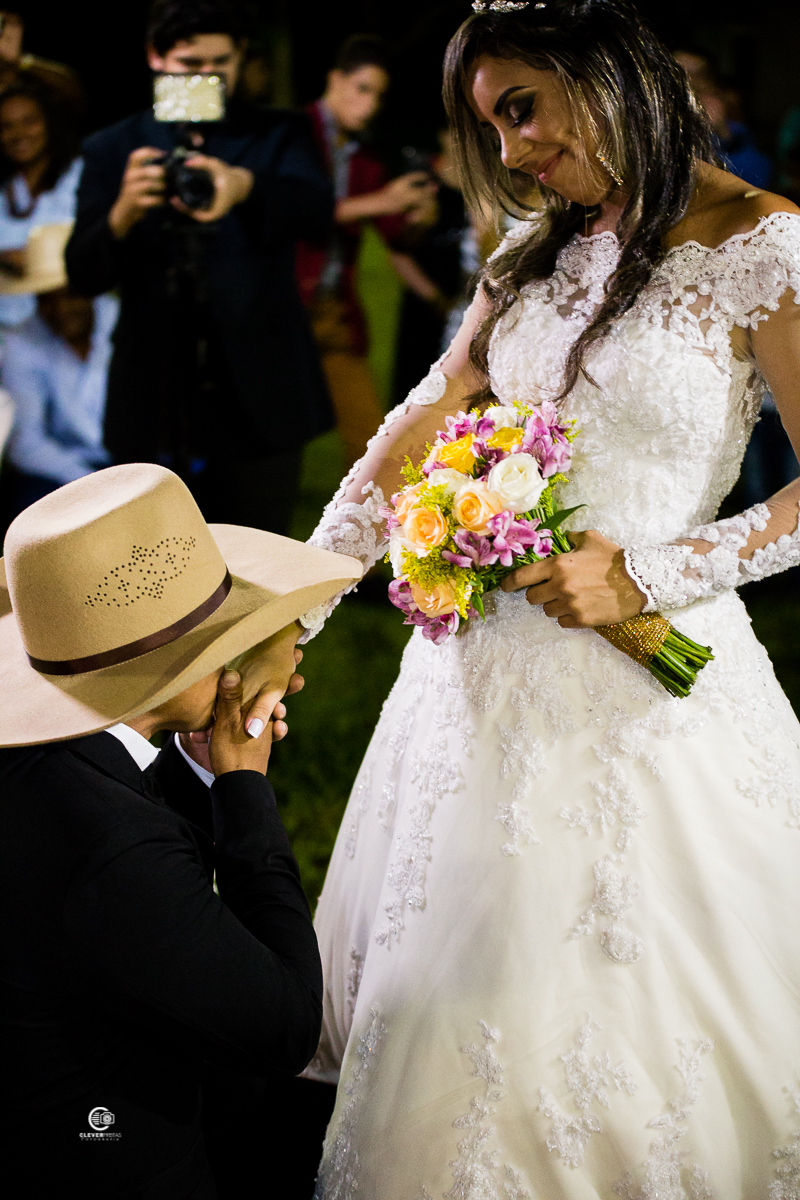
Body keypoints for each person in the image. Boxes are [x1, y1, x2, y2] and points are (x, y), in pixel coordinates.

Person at [299, 1, 800, 1194]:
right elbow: (423, 422)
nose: (513, 152)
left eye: (522, 110)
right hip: (472, 690)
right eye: (493, 126)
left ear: (612, 77)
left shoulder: (764, 246)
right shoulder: (533, 249)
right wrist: (299, 604)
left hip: (652, 688)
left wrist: (647, 572)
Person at [0, 460, 361, 1198]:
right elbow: (285, 1027)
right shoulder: (112, 844)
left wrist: (199, 772)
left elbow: (143, 907)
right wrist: (243, 785)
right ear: (181, 664)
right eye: (234, 635)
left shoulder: (44, 767)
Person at [66, 0, 335, 536]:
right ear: (155, 57)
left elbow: (319, 212)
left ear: (240, 59)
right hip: (153, 393)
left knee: (260, 565)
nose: (207, 77)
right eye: (190, 65)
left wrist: (244, 186)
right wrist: (121, 213)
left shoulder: (278, 132)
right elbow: (83, 273)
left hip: (261, 393)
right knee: (147, 568)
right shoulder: (113, 147)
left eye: (221, 63)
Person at [297, 34, 442, 470]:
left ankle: (368, 531)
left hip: (333, 308)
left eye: (379, 95)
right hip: (279, 308)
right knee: (268, 442)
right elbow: (291, 213)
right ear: (335, 80)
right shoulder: (293, 135)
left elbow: (395, 236)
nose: (371, 104)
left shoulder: (364, 154)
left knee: (369, 441)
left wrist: (419, 218)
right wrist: (383, 202)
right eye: (363, 89)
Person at [0, 79, 82, 329]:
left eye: (29, 122)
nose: (19, 134)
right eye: (6, 126)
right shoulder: (5, 188)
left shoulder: (82, 176)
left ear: (49, 123)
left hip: (76, 324)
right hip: (9, 330)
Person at [674, 48, 773, 189]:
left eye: (697, 75)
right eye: (678, 73)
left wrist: (722, 132)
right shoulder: (650, 126)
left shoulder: (735, 134)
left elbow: (755, 181)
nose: (689, 83)